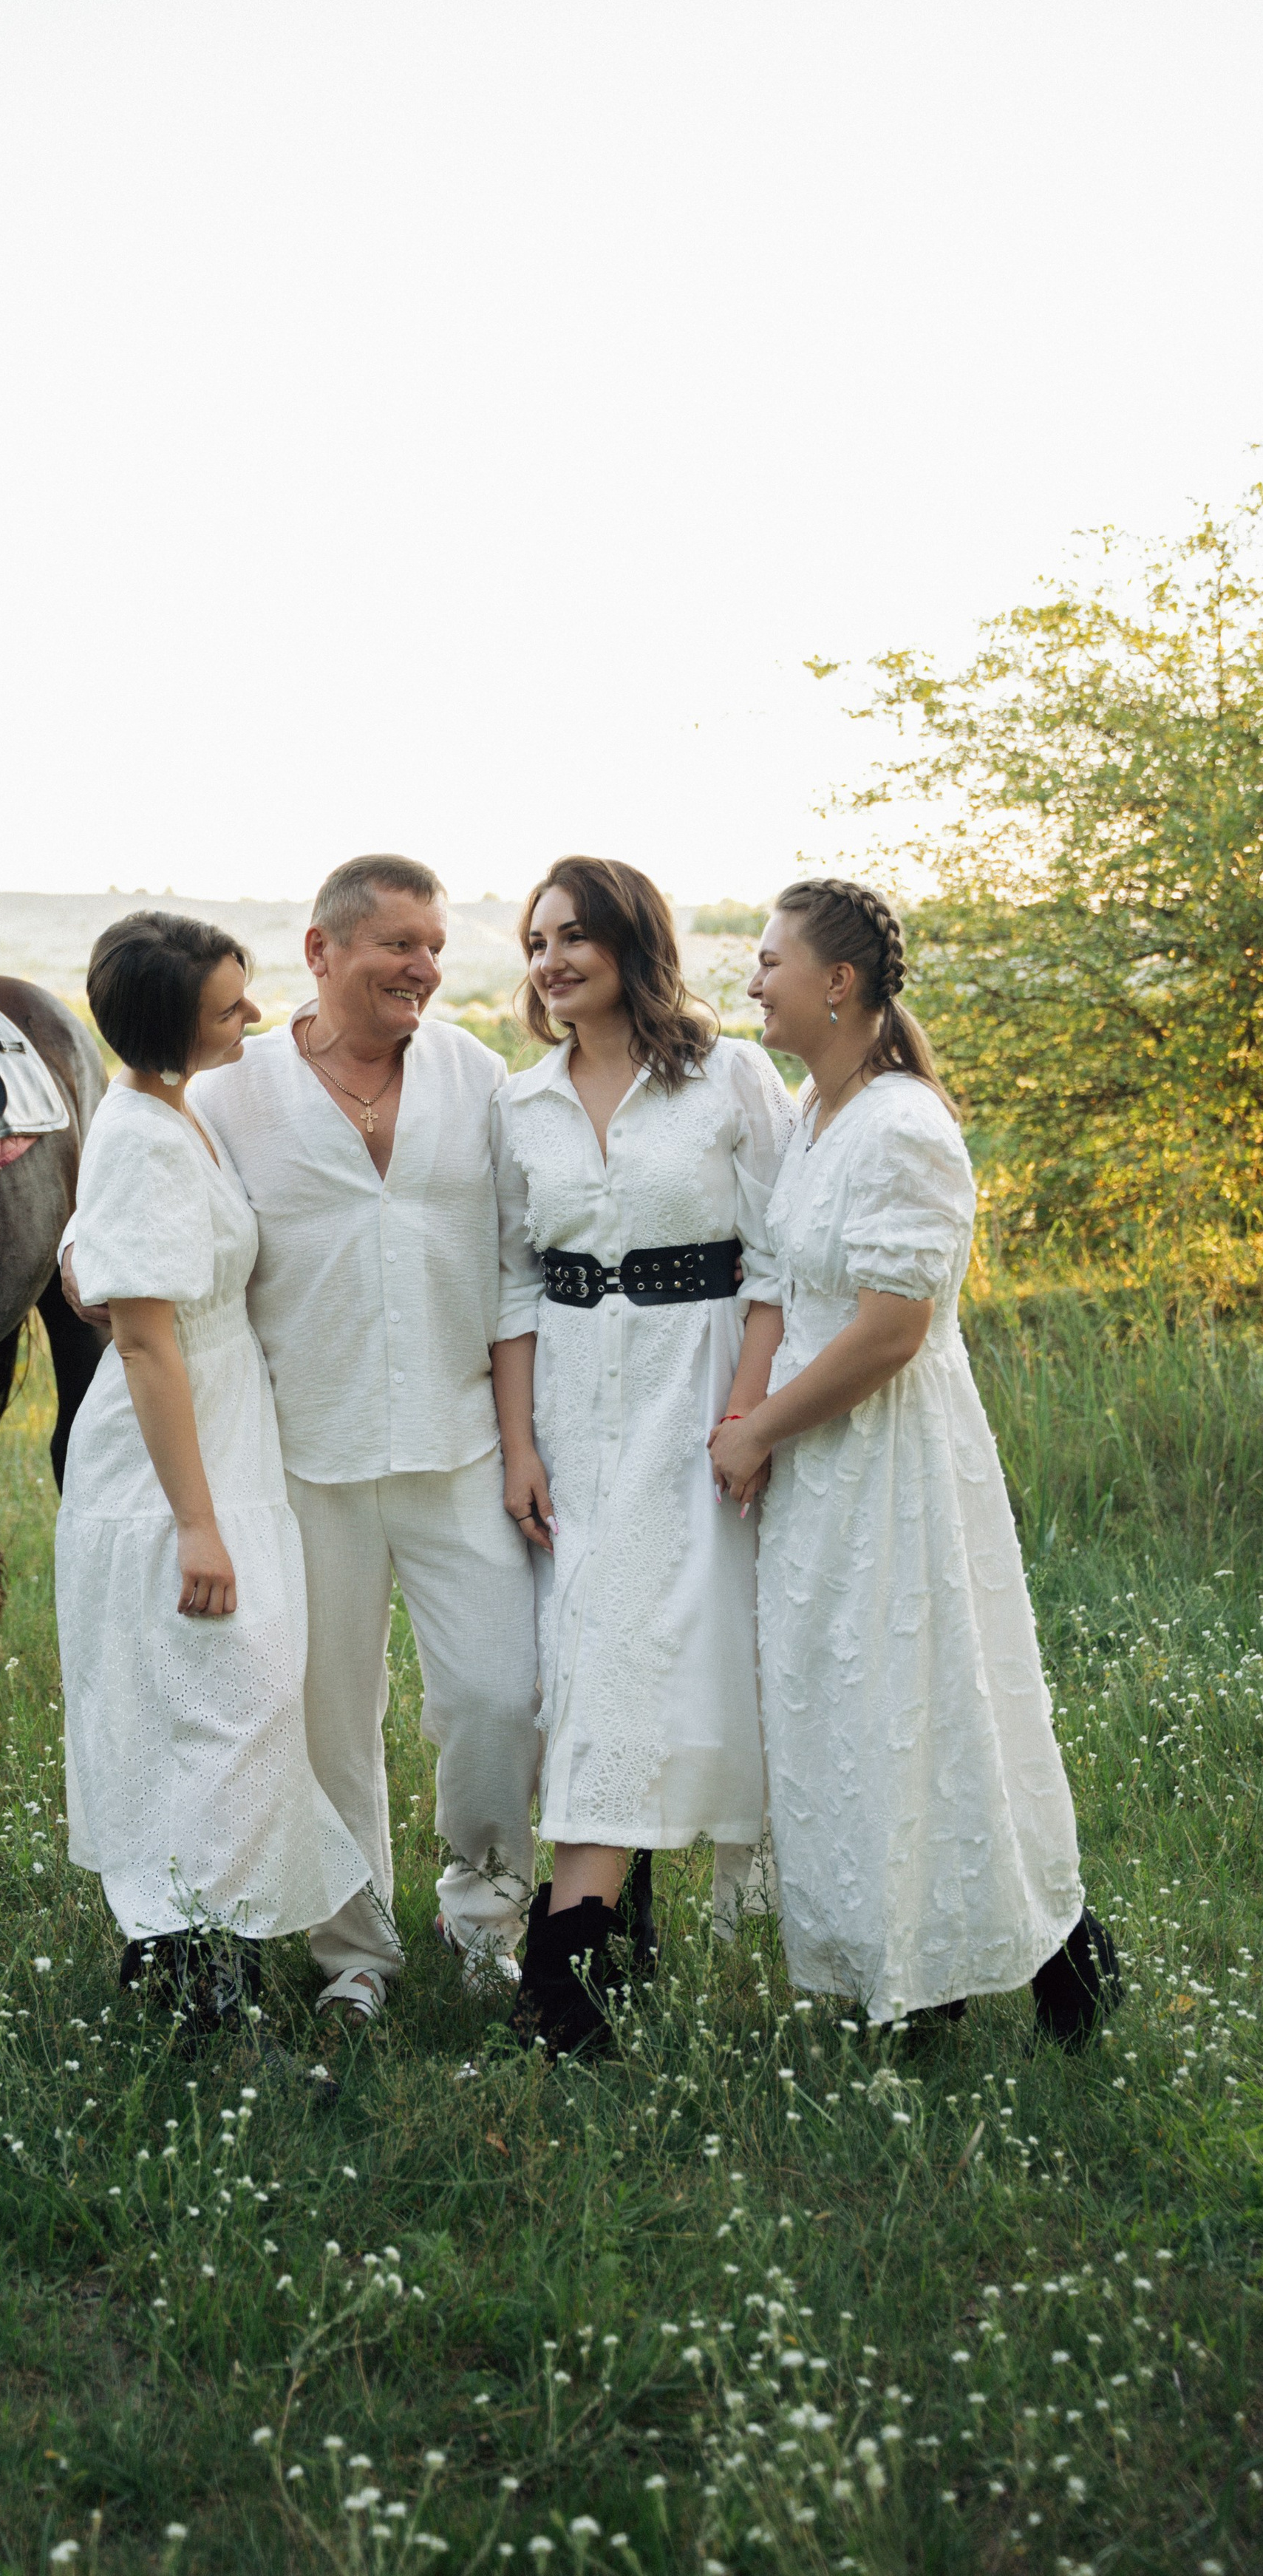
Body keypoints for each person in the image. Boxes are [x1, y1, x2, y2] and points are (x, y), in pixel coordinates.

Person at [68, 854, 542, 2027]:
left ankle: (486, 1920)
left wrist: (525, 1441)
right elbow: (115, 1225)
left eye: (436, 946)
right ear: (324, 952)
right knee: (327, 1725)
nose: (424, 968)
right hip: (299, 1461)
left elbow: (519, 1260)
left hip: (460, 1448)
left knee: (499, 1699)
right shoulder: (235, 1088)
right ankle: (357, 1957)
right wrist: (92, 1276)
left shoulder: (475, 1077)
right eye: (399, 945)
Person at [707, 879, 1118, 2044]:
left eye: (771, 960)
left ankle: (1052, 1954)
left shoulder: (904, 1125)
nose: (754, 980)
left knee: (925, 1702)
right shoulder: (813, 1112)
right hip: (818, 1460)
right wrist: (752, 1418)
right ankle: (906, 1963)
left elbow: (892, 1330)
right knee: (845, 1711)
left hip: (894, 1458)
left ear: (838, 982)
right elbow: (787, 1285)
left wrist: (761, 1430)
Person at [491, 857, 794, 2056]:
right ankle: (587, 1950)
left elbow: (776, 1263)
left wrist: (747, 1417)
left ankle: (568, 1960)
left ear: (630, 941)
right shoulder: (522, 1104)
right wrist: (518, 1444)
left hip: (696, 1389)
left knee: (652, 1657)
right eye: (536, 943)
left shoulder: (729, 1077)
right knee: (588, 1658)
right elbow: (512, 1286)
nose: (551, 961)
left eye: (573, 936)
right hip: (572, 1403)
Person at [55, 910, 374, 2039]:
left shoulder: (173, 1109)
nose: (255, 1014)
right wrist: (197, 1524)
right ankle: (203, 1986)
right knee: (230, 1706)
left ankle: (181, 1946)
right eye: (229, 1006)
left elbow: (102, 1255)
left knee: (218, 1706)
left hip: (228, 1436)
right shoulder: (144, 1136)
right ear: (169, 1026)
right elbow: (145, 1341)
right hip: (172, 1469)